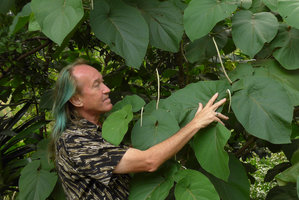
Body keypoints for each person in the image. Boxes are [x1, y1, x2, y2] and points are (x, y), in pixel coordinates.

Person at [51, 60, 228, 200]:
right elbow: (149, 161)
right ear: (76, 100)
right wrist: (196, 123)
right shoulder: (75, 141)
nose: (107, 89)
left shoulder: (101, 131)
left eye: (103, 82)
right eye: (96, 85)